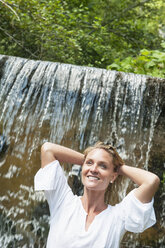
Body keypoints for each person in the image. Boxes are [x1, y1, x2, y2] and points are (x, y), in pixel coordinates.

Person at [34, 141, 160, 248]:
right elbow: (48, 149)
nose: (94, 169)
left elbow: (151, 181)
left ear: (113, 176)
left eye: (103, 166)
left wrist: (117, 168)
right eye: (89, 163)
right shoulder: (62, 202)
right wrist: (89, 161)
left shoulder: (118, 217)